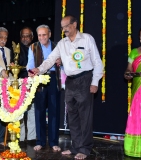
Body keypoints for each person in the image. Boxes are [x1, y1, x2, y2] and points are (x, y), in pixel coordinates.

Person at [30, 15, 103, 159]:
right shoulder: (62, 43)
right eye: (62, 27)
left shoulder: (87, 39)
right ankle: (75, 147)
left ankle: (85, 148)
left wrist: (95, 82)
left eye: (66, 26)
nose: (64, 30)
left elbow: (97, 61)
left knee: (85, 117)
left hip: (85, 80)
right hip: (70, 82)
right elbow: (50, 59)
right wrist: (39, 69)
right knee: (72, 117)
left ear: (74, 24)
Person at [27, 24, 61, 151]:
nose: (42, 37)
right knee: (39, 110)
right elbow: (30, 64)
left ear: (50, 34)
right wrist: (31, 75)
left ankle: (54, 142)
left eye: (44, 35)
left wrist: (61, 62)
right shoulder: (33, 47)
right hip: (38, 79)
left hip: (53, 79)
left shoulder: (57, 46)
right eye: (39, 35)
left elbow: (64, 64)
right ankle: (40, 141)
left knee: (54, 111)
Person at [124, 25, 141, 158]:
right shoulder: (134, 52)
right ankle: (137, 148)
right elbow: (129, 68)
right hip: (138, 91)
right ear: (139, 38)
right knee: (138, 118)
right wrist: (128, 74)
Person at [11, 27, 36, 144]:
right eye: (23, 36)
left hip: (34, 82)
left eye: (28, 36)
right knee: (20, 111)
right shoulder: (16, 49)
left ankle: (31, 137)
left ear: (32, 37)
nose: (25, 38)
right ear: (20, 37)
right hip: (20, 83)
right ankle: (20, 138)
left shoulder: (36, 47)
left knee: (32, 111)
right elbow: (13, 65)